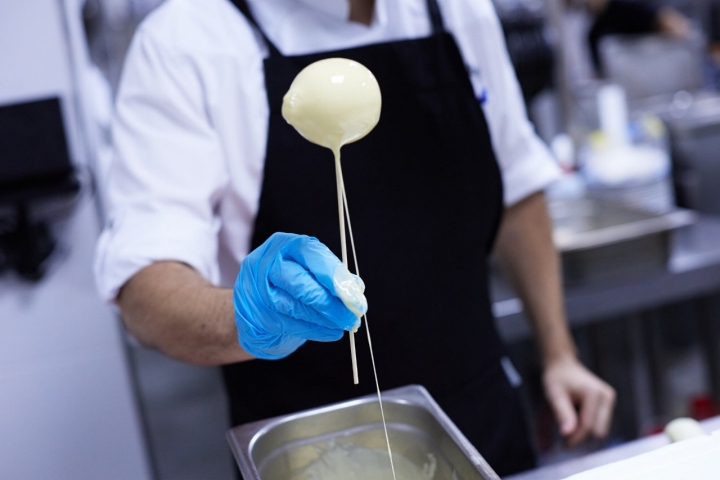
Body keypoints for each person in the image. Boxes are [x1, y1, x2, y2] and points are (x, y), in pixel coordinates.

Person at [95, 0, 616, 476]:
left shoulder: (459, 11)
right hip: (308, 446)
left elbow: (518, 187)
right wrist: (252, 315)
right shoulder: (187, 42)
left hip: (478, 421)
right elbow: (145, 287)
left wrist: (558, 352)